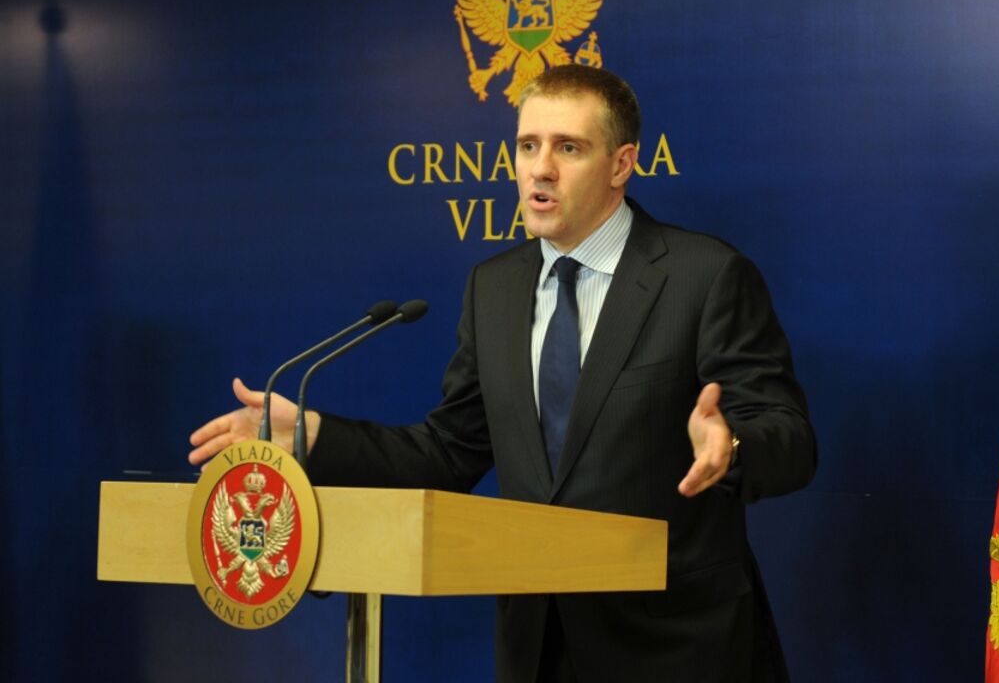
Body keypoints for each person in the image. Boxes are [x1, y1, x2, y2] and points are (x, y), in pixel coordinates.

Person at [189, 65, 816, 683]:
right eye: (527, 146)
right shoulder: (494, 288)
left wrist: (731, 446)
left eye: (568, 148)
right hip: (536, 649)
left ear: (621, 164)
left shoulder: (705, 276)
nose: (540, 169)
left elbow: (790, 438)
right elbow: (446, 452)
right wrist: (315, 436)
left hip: (678, 648)